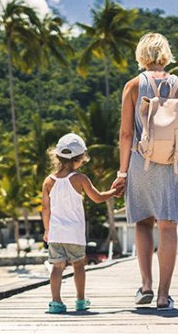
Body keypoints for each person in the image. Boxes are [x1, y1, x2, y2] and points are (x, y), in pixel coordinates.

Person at [111, 33, 178, 310]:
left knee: (144, 222)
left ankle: (146, 285)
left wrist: (122, 173)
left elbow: (125, 133)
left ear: (141, 55)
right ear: (166, 55)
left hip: (140, 162)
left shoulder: (132, 86)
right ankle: (163, 295)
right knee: (168, 226)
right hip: (173, 162)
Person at [42, 133, 123, 313]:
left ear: (57, 156)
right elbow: (98, 198)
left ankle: (56, 302)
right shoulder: (80, 179)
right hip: (74, 234)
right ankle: (80, 300)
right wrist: (113, 191)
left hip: (55, 234)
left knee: (57, 267)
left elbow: (45, 208)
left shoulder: (48, 180)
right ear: (79, 159)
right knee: (78, 265)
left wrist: (47, 230)